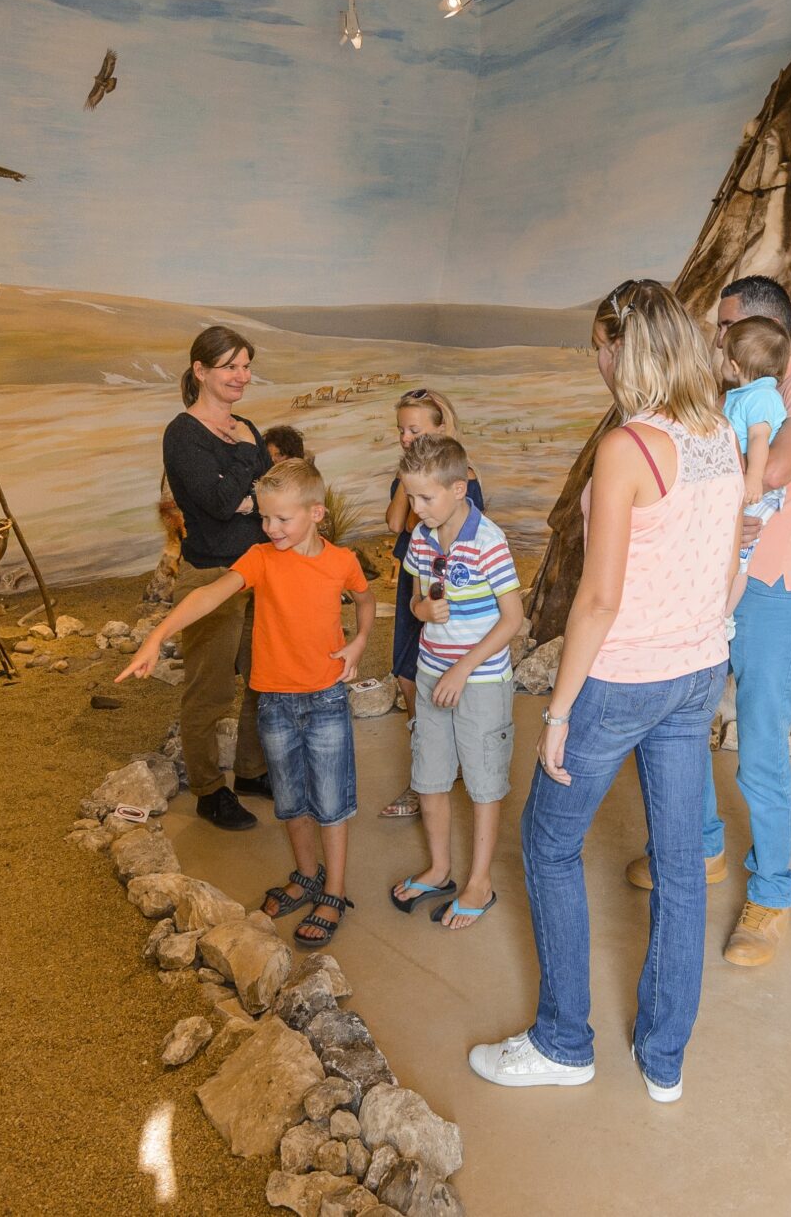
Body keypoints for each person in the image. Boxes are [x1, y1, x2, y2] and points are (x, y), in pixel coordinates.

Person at [469, 279, 742, 1103]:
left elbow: (599, 599)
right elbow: (730, 568)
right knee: (683, 863)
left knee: (548, 843)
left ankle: (563, 1043)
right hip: (697, 673)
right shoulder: (719, 435)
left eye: (599, 343)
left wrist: (556, 711)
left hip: (624, 679)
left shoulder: (630, 446)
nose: (595, 359)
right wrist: (700, 638)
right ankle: (664, 1060)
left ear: (624, 349)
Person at [622, 276, 791, 969]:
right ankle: (703, 848)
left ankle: (772, 895)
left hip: (777, 594)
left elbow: (774, 467)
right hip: (713, 580)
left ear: (756, 326)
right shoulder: (736, 389)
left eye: (722, 326)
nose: (712, 338)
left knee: (759, 755)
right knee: (681, 724)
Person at [119, 459, 374, 947]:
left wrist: (359, 643)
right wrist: (157, 634)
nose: (270, 528)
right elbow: (211, 595)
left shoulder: (340, 561)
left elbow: (364, 599)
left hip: (324, 699)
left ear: (316, 513)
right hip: (274, 701)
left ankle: (335, 891)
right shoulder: (261, 557)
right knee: (291, 797)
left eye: (282, 519)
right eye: (265, 518)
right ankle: (306, 874)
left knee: (331, 803)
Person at [387, 434, 523, 931]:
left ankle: (479, 881)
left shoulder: (489, 542)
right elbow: (416, 602)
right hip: (430, 676)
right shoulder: (423, 538)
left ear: (460, 488)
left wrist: (463, 668)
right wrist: (423, 609)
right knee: (431, 774)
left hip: (480, 681)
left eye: (426, 498)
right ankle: (441, 868)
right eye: (411, 497)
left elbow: (513, 620)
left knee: (484, 783)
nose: (416, 510)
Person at [160, 326, 273, 831]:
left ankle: (251, 771)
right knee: (209, 691)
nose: (241, 377)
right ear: (200, 371)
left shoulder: (247, 424)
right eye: (230, 366)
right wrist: (248, 486)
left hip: (262, 571)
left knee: (263, 680)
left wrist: (249, 491)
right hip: (211, 574)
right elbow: (222, 503)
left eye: (246, 366)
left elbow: (271, 496)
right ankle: (209, 789)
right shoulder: (182, 434)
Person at [382, 389, 486, 819]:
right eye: (401, 430)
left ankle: (449, 765)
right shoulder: (407, 480)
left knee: (448, 673)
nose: (406, 437)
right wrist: (411, 477)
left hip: (447, 589)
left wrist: (421, 478)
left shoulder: (464, 480)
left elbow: (417, 523)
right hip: (413, 582)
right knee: (407, 673)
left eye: (416, 429)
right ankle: (428, 760)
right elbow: (394, 521)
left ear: (441, 428)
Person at [718, 315, 791, 625]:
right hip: (744, 485)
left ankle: (723, 617)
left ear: (734, 366)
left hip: (756, 489)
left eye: (724, 357)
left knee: (739, 558)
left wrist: (752, 479)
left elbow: (760, 439)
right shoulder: (746, 396)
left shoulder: (761, 397)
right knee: (728, 552)